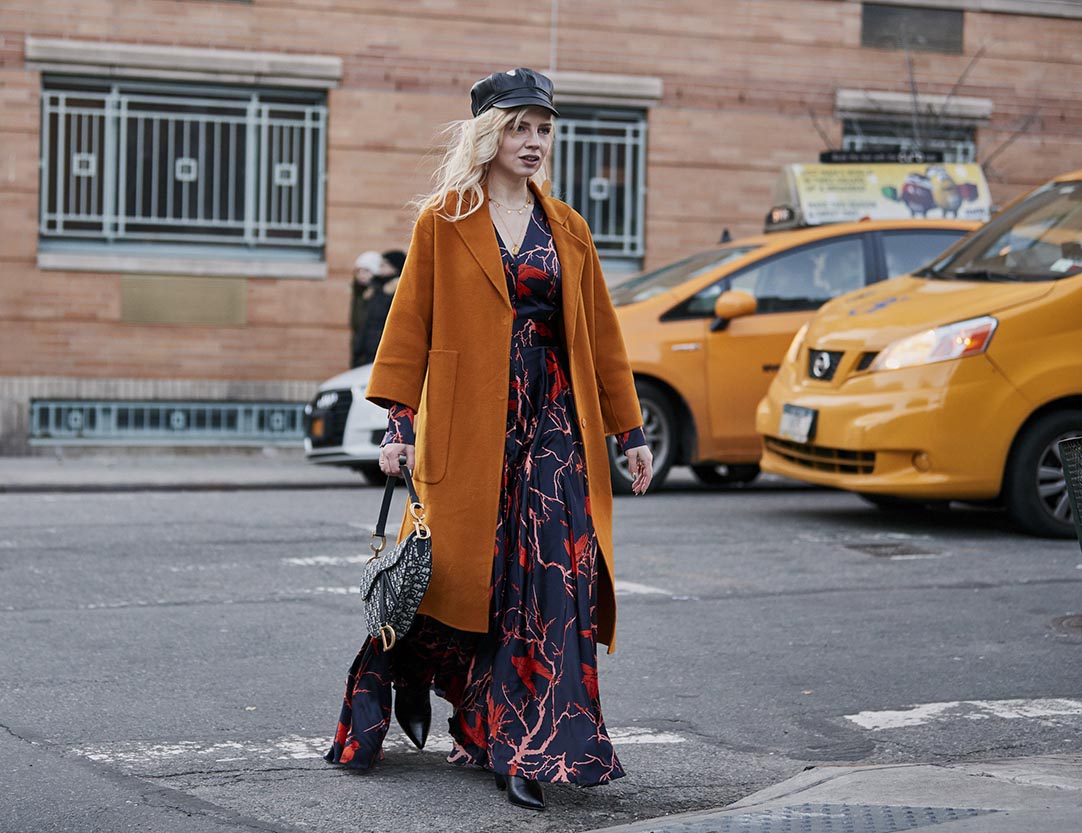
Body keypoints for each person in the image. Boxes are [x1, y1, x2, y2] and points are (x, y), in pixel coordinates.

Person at [325, 67, 653, 812]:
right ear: (488, 135)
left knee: (547, 582)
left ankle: (525, 745)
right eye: (518, 128)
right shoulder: (443, 220)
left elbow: (601, 335)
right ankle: (417, 675)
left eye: (543, 129)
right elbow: (409, 325)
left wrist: (628, 429)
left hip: (554, 422)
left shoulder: (568, 227)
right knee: (463, 578)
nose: (533, 142)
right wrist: (399, 423)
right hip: (470, 426)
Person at [353, 249, 407, 367]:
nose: (380, 268)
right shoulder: (374, 288)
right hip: (367, 347)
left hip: (381, 348)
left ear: (395, 267)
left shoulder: (398, 288)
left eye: (384, 264)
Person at [349, 250, 383, 368]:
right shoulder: (358, 292)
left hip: (373, 349)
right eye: (359, 271)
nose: (361, 274)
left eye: (366, 271)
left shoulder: (380, 293)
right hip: (359, 347)